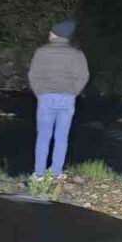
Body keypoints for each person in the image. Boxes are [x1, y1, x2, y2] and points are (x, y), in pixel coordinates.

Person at [28, 19, 89, 179]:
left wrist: (39, 92)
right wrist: (74, 92)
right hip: (67, 98)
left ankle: (39, 174)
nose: (49, 33)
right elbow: (84, 76)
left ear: (55, 35)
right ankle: (56, 172)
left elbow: (33, 75)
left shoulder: (41, 52)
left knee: (43, 137)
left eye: (51, 32)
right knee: (62, 137)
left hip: (46, 97)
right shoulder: (77, 54)